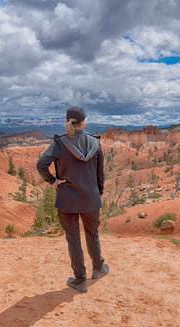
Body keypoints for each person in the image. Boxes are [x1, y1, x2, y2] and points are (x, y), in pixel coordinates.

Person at [36, 106, 109, 293]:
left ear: (68, 122)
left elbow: (41, 164)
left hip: (67, 200)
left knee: (73, 239)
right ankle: (99, 268)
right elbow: (100, 174)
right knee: (93, 234)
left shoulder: (60, 143)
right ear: (84, 122)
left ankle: (80, 280)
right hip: (91, 199)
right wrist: (97, 193)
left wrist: (54, 182)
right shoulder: (95, 143)